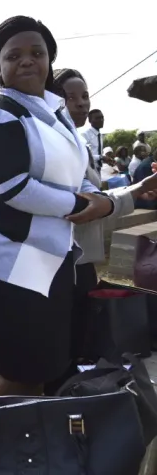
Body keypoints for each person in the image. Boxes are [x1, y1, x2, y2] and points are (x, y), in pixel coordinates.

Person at [0, 16, 114, 397]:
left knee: (46, 367)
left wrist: (97, 198)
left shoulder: (53, 110)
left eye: (37, 52)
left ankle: (27, 431)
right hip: (10, 258)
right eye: (13, 55)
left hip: (50, 254)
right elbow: (15, 188)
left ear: (50, 59)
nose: (27, 60)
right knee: (22, 374)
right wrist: (83, 205)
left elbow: (73, 172)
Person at [46, 67, 157, 392]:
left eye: (85, 96)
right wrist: (137, 190)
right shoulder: (55, 145)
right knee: (66, 350)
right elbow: (85, 204)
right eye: (70, 97)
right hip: (64, 261)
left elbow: (95, 194)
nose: (81, 103)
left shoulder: (75, 143)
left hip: (81, 259)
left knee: (79, 344)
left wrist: (137, 189)